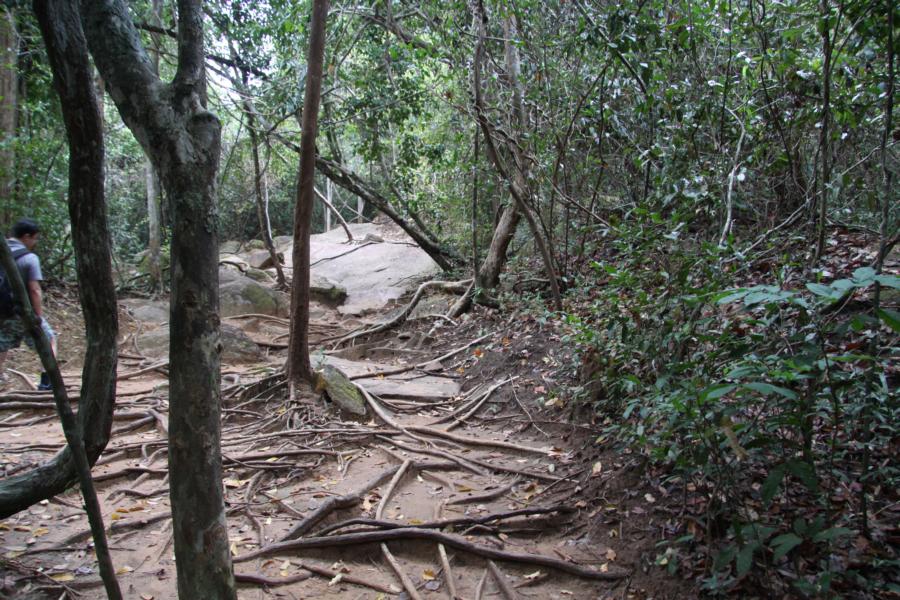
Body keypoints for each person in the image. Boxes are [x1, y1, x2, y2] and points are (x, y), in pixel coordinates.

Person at [0, 218, 57, 390]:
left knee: (1, 346)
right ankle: (48, 382)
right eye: (35, 238)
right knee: (50, 340)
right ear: (26, 237)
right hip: (22, 312)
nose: (35, 242)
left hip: (2, 312)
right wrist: (38, 316)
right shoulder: (29, 258)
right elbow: (34, 290)